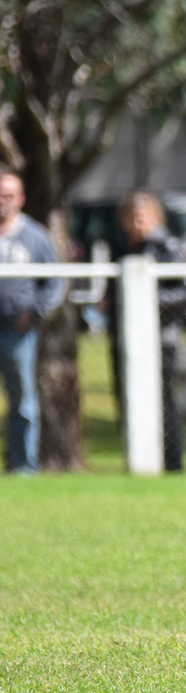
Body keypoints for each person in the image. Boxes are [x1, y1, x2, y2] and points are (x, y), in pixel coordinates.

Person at [110, 191, 186, 472]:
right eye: (132, 218)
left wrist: (146, 299)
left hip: (160, 339)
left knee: (162, 399)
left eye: (142, 218)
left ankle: (172, 461)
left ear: (156, 218)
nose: (137, 224)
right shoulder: (121, 247)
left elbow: (185, 292)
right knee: (126, 397)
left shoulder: (166, 247)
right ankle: (138, 457)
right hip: (124, 336)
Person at [0, 169, 63, 475]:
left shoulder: (34, 236)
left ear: (21, 199)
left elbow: (55, 280)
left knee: (23, 401)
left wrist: (35, 310)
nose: (3, 201)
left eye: (8, 195)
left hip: (17, 330)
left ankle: (24, 465)